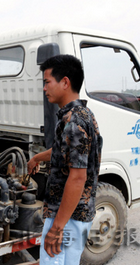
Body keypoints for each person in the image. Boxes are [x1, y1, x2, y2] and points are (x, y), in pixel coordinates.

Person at [27, 55, 102, 264]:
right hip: (76, 214)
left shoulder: (73, 122)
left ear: (65, 82)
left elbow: (77, 178)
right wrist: (38, 157)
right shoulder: (84, 114)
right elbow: (65, 152)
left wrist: (57, 228)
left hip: (66, 216)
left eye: (47, 82)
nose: (44, 88)